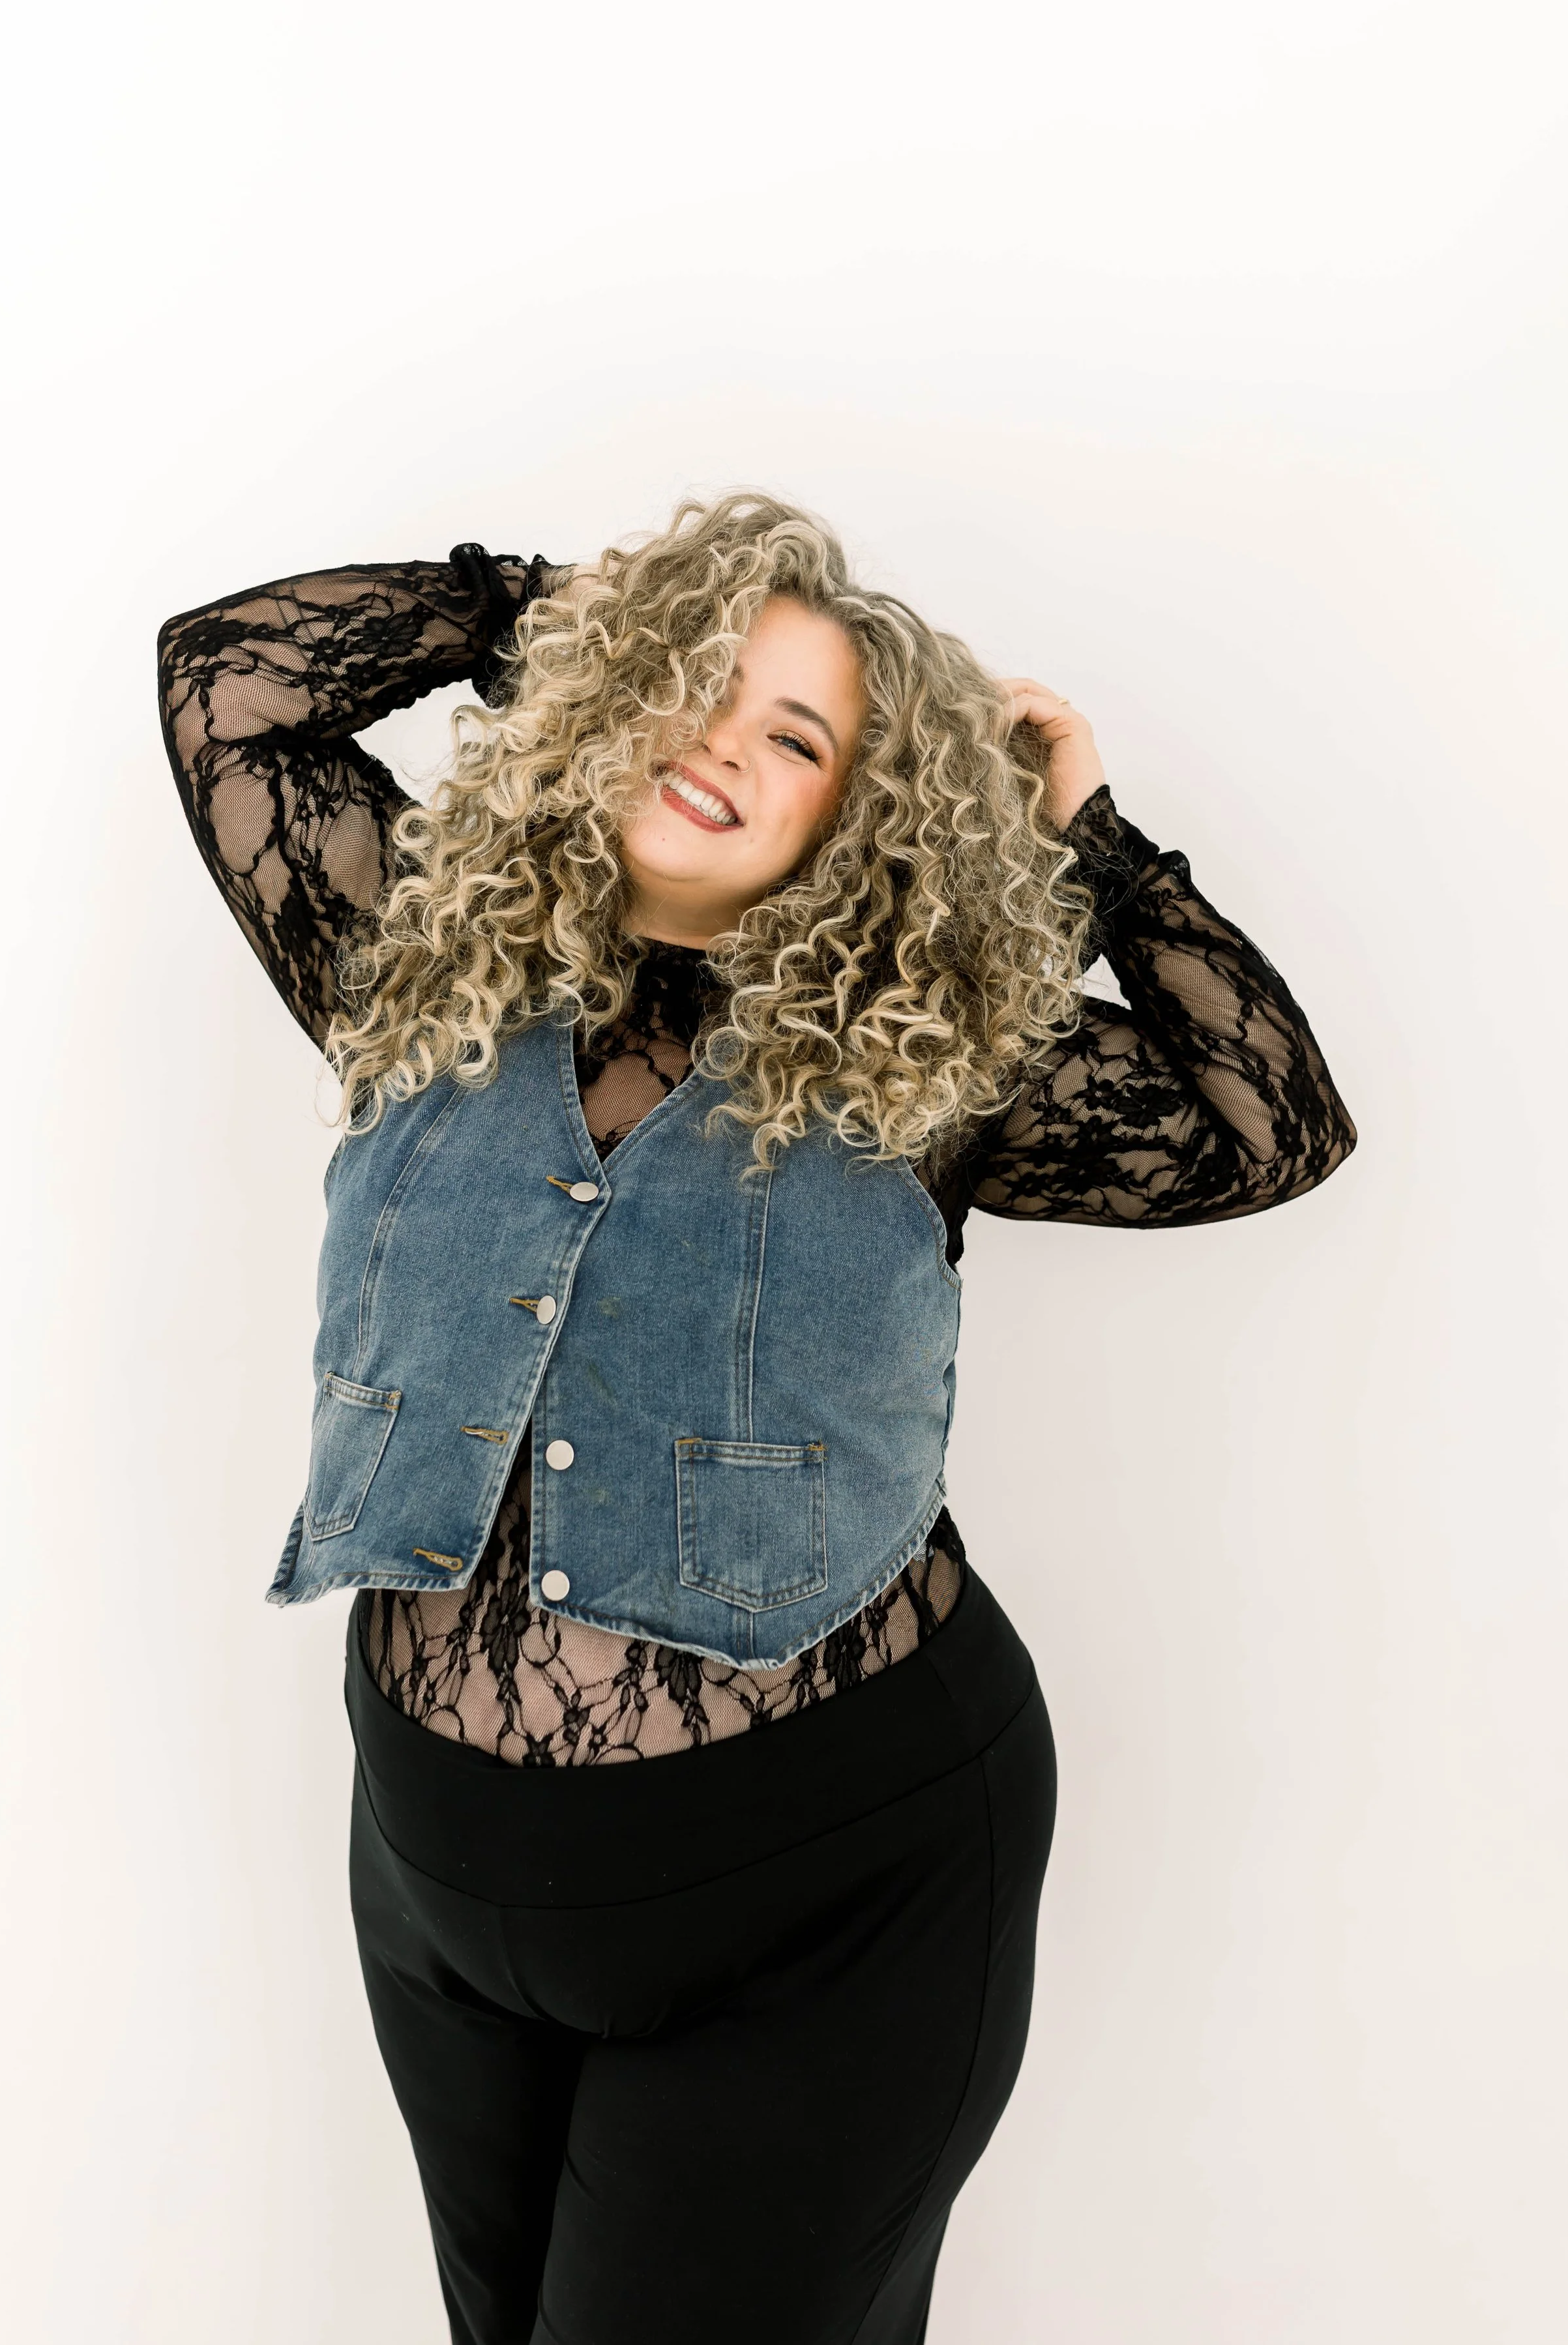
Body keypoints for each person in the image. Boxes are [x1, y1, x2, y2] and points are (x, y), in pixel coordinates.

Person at [159, 493, 1355, 2344]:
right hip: (437, 1873)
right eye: (692, 688)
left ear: (847, 820)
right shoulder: (407, 956)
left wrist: (1101, 854)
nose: (722, 739)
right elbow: (228, 685)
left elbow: (1267, 1121)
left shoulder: (931, 1063)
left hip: (832, 1884)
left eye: (791, 735)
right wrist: (569, 612)